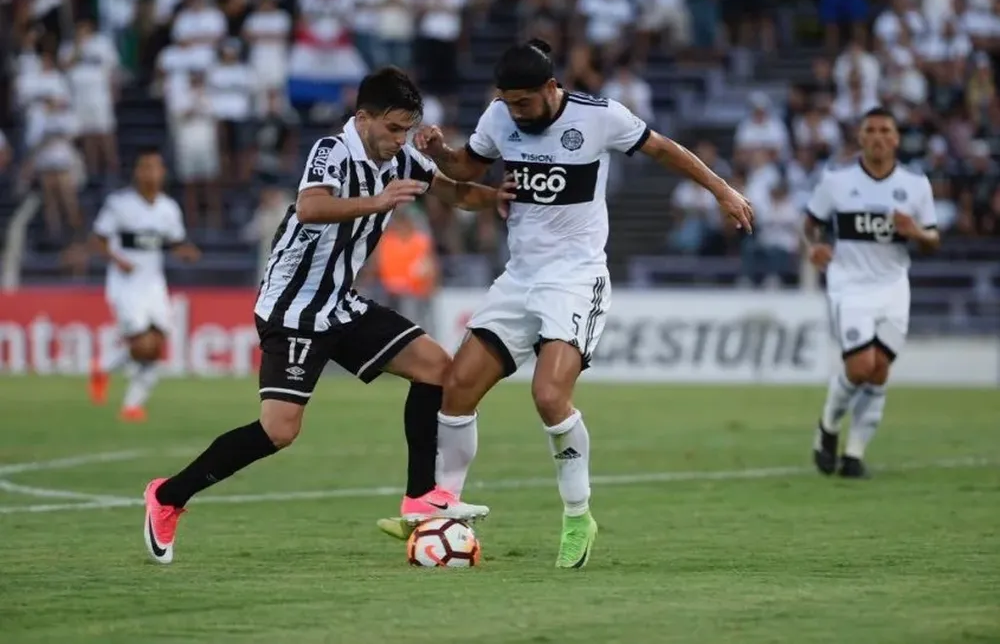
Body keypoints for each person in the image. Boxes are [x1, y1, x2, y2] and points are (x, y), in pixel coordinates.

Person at [378, 39, 754, 569]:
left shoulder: (600, 117)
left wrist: (723, 191)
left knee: (549, 395)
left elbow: (664, 149)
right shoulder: (499, 115)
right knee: (458, 388)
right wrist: (440, 153)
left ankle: (578, 516)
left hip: (576, 279)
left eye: (524, 103)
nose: (516, 113)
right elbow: (466, 168)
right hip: (520, 278)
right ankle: (444, 508)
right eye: (508, 103)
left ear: (551, 89)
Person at [141, 67, 513, 565]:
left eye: (406, 130)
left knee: (439, 370)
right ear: (363, 118)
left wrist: (502, 199)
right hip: (293, 309)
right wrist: (378, 201)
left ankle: (420, 495)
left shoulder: (402, 159)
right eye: (393, 129)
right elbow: (311, 206)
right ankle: (168, 497)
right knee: (279, 431)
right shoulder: (331, 152)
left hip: (340, 302)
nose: (399, 140)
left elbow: (455, 192)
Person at [803, 107, 940, 479]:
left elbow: (933, 239)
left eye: (885, 130)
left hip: (894, 286)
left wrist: (917, 233)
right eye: (871, 130)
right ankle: (829, 425)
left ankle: (854, 455)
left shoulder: (916, 185)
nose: (879, 136)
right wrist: (813, 247)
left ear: (896, 139)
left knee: (879, 372)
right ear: (860, 138)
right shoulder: (836, 180)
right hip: (849, 285)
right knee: (860, 367)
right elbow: (811, 224)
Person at [89, 148, 201, 422]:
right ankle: (104, 367)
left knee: (157, 345)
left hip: (153, 283)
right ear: (137, 172)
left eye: (156, 167)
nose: (151, 173)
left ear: (163, 173)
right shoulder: (119, 204)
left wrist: (185, 252)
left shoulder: (168, 208)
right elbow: (98, 239)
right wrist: (117, 259)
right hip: (125, 284)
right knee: (141, 344)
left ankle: (130, 404)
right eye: (146, 167)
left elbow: (174, 242)